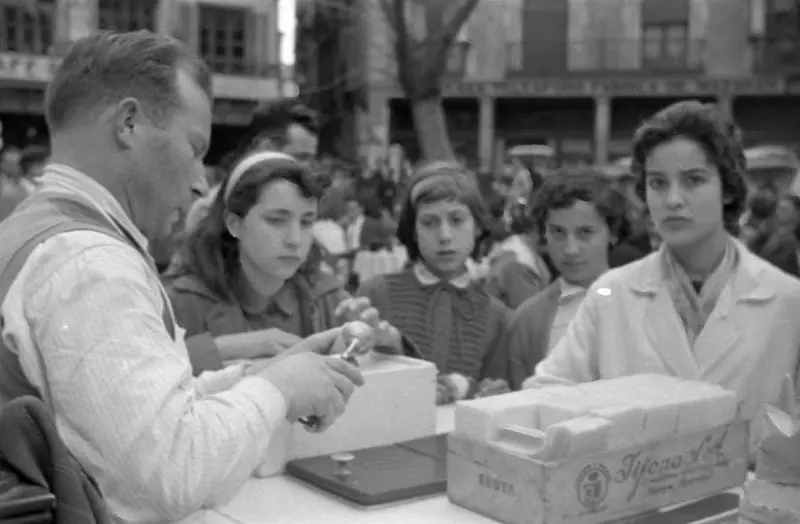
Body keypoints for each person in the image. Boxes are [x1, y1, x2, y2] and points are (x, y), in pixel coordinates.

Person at [0, 30, 364, 521]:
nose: (198, 181)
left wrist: (263, 375)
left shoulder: (38, 231)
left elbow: (137, 416)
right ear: (128, 123)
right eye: (194, 148)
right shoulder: (89, 262)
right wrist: (279, 387)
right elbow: (171, 476)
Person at [523, 101, 800, 450]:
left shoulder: (788, 300)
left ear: (728, 188)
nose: (672, 200)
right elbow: (545, 396)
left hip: (748, 485)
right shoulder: (611, 294)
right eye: (657, 183)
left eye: (693, 180)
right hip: (631, 481)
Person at [167, 150, 387, 371]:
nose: (295, 240)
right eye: (276, 220)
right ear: (234, 224)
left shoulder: (328, 298)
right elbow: (151, 374)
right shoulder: (182, 302)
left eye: (306, 222)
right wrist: (221, 348)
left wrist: (381, 342)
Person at [358, 161, 511, 404]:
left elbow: (496, 395)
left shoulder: (496, 315)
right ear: (413, 231)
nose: (444, 236)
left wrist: (473, 390)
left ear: (478, 227)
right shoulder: (376, 294)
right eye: (429, 223)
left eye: (457, 220)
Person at [497, 169, 630, 389]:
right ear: (543, 234)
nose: (571, 249)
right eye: (558, 232)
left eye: (585, 233)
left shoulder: (640, 302)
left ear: (612, 233)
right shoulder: (529, 320)